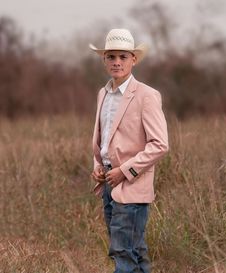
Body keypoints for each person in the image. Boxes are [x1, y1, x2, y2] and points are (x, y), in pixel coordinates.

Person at [90, 28, 169, 273]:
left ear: (133, 59)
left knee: (124, 253)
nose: (116, 62)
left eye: (123, 57)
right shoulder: (103, 94)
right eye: (111, 57)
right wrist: (98, 166)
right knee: (132, 251)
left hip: (132, 185)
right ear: (104, 60)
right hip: (108, 184)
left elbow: (159, 144)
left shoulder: (146, 95)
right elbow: (104, 141)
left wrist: (124, 171)